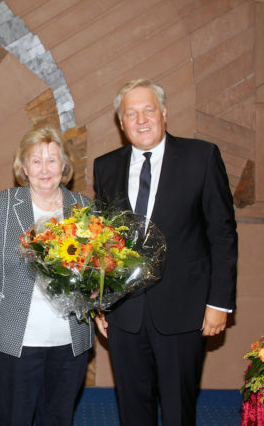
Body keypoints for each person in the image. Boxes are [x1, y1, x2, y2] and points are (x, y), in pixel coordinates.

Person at [93, 79, 238, 425]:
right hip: (124, 314)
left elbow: (222, 234)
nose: (141, 120)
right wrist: (98, 300)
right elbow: (102, 240)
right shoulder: (106, 166)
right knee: (132, 409)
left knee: (177, 410)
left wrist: (219, 303)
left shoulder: (202, 157)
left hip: (183, 311)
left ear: (165, 114)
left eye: (148, 110)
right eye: (131, 114)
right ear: (121, 122)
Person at [0, 126, 94, 426]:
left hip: (69, 343)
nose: (45, 169)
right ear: (24, 167)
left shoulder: (84, 208)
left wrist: (98, 295)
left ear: (64, 166)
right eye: (36, 160)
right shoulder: (1, 206)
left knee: (58, 419)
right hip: (11, 341)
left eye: (52, 160)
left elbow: (97, 272)